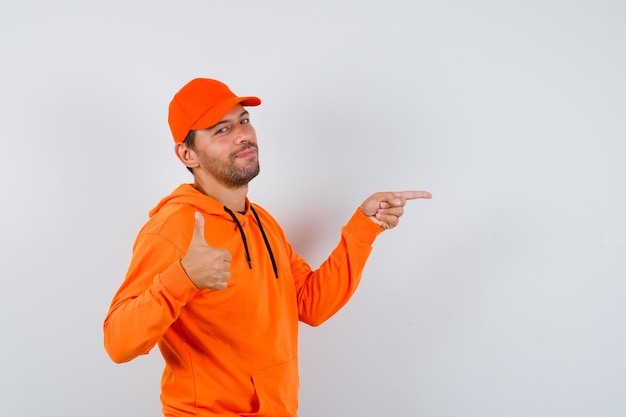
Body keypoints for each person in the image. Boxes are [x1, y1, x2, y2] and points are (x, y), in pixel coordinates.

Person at [103, 78, 432, 417]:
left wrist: (364, 227)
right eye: (221, 130)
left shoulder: (262, 222)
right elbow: (118, 342)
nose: (243, 135)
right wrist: (183, 277)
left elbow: (311, 304)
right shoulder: (176, 225)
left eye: (244, 121)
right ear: (188, 154)